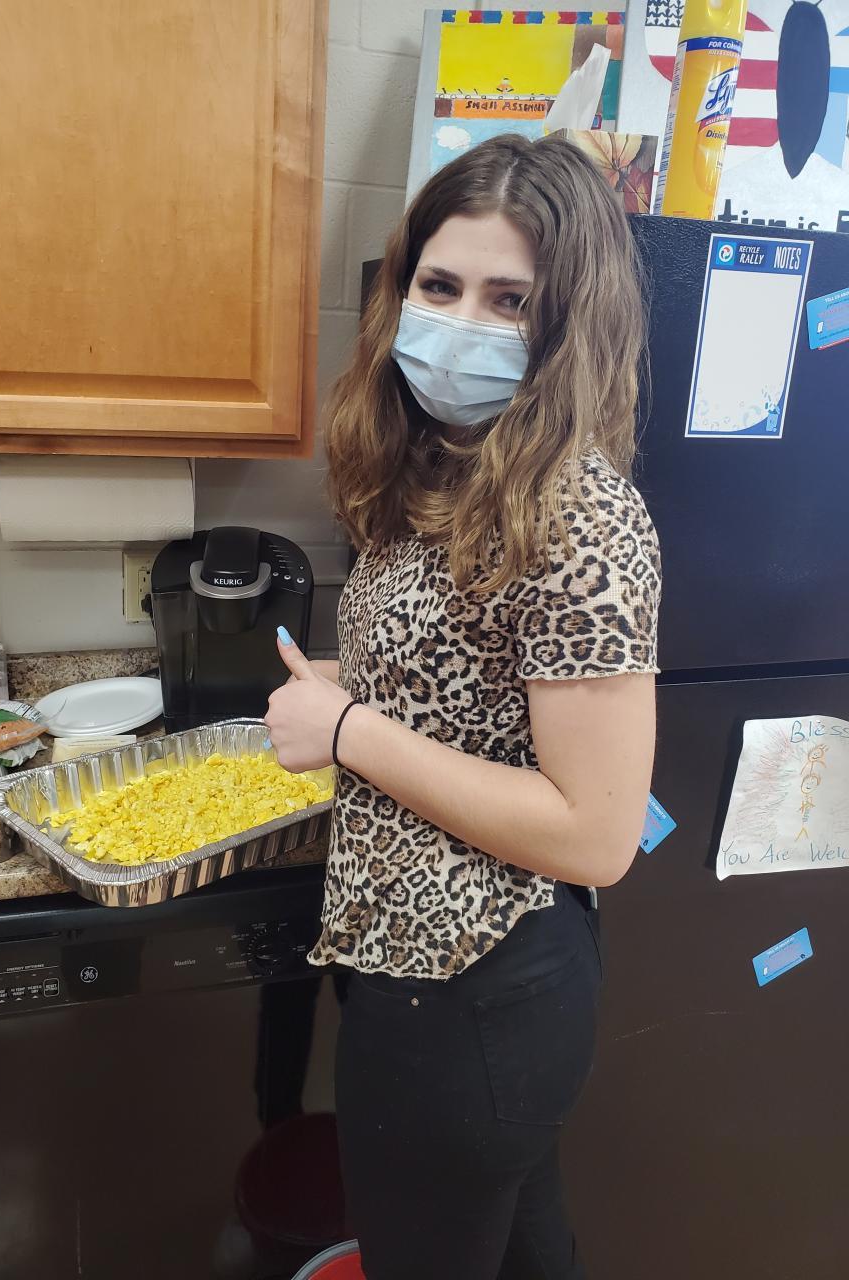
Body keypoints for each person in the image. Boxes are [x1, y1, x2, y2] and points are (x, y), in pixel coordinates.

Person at [264, 133, 661, 1280]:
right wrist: (367, 687)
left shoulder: (581, 518)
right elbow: (482, 696)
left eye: (510, 298)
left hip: (472, 991)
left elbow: (597, 830)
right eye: (439, 286)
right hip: (431, 976)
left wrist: (349, 731)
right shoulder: (446, 468)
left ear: (567, 321)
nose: (461, 322)